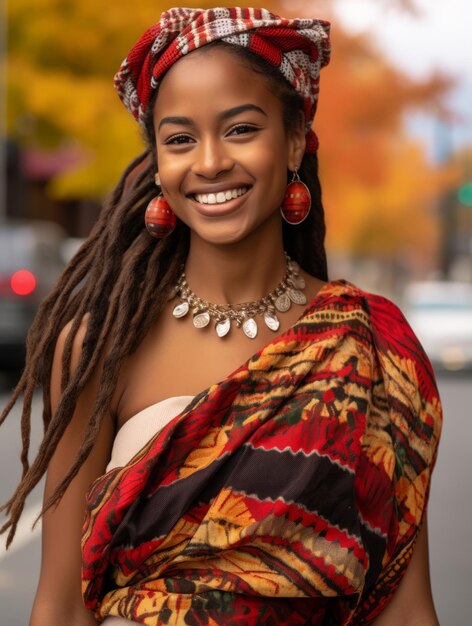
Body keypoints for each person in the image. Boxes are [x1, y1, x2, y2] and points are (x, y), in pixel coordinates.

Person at [0, 7, 442, 626]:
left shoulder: (372, 348)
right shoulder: (99, 345)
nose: (209, 162)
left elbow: (406, 607)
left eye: (240, 130)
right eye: (180, 138)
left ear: (293, 142)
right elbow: (59, 608)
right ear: (158, 164)